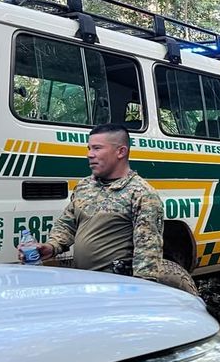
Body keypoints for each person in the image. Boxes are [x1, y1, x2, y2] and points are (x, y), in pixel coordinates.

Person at [18, 123, 198, 295]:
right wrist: (51, 247)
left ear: (121, 151)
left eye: (97, 148)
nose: (90, 154)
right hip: (83, 284)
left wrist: (141, 293)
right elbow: (68, 223)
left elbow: (148, 254)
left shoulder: (141, 194)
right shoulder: (85, 186)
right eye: (89, 148)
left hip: (116, 288)